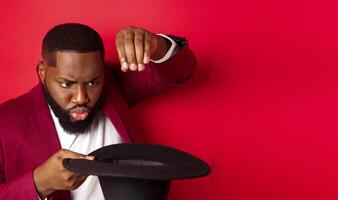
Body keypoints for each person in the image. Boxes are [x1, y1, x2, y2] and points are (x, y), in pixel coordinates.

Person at [0, 23, 196, 200]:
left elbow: (180, 71)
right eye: (66, 84)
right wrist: (39, 183)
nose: (81, 97)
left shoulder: (114, 85)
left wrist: (155, 45)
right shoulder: (6, 121)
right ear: (42, 72)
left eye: (93, 82)